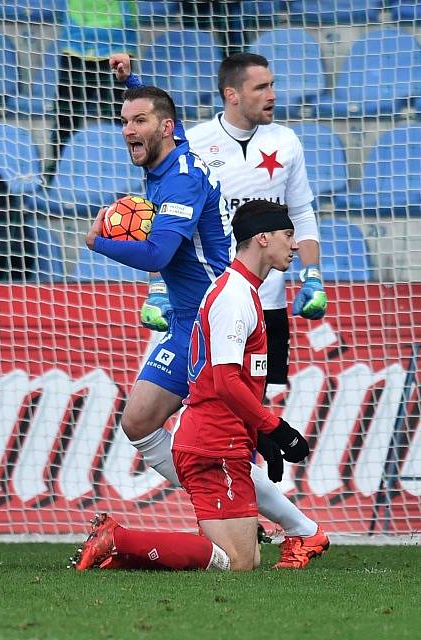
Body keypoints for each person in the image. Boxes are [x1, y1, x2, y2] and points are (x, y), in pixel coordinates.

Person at [85, 68, 329, 569]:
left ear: (168, 127)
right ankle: (259, 510)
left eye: (140, 121)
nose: (129, 129)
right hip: (185, 318)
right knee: (142, 421)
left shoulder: (183, 177)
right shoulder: (163, 164)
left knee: (190, 432)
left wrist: (97, 242)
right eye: (124, 121)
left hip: (210, 318)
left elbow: (157, 254)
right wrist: (133, 84)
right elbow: (152, 109)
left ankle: (299, 528)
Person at [71, 200, 319, 572]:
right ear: (263, 238)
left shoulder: (241, 291)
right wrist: (276, 429)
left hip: (221, 439)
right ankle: (118, 539)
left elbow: (236, 381)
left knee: (245, 559)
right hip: (213, 443)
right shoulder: (234, 297)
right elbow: (225, 381)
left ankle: (127, 552)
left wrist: (258, 434)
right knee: (234, 563)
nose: (295, 244)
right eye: (288, 234)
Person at [186, 52, 327, 400]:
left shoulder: (286, 142)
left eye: (273, 85)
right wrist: (159, 287)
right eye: (261, 87)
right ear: (232, 94)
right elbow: (175, 221)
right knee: (207, 402)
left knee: (263, 411)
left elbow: (302, 214)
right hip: (213, 300)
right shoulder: (194, 143)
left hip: (269, 306)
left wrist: (313, 275)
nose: (272, 95)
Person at [48, 0, 138, 174]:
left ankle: (128, 169)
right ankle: (58, 168)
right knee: (66, 113)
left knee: (118, 113)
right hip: (77, 37)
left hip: (116, 35)